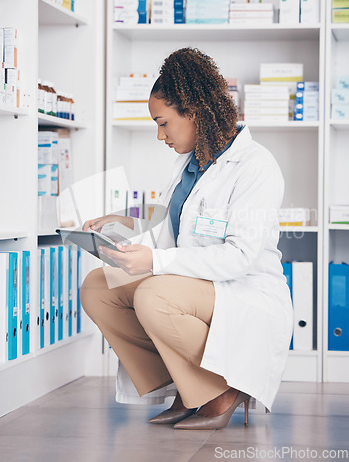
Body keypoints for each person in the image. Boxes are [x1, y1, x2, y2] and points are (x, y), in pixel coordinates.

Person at [80, 47, 294, 430]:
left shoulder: (255, 166)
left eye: (163, 123)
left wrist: (155, 262)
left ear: (193, 112)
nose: (159, 134)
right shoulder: (192, 162)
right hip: (194, 284)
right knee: (98, 288)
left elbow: (238, 257)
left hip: (242, 288)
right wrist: (124, 223)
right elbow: (177, 223)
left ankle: (222, 390)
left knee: (152, 295)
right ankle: (188, 383)